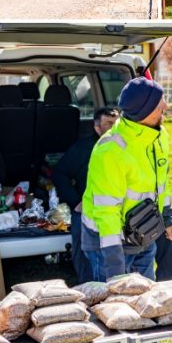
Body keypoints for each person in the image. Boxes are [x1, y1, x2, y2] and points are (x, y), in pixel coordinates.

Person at [81, 77, 172, 281]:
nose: (166, 105)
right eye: (160, 102)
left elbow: (161, 183)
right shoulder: (110, 151)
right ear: (145, 112)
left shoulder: (158, 136)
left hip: (144, 234)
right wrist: (115, 269)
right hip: (109, 246)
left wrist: (167, 217)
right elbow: (106, 213)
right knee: (115, 307)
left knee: (145, 301)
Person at [51, 107, 120, 285]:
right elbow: (59, 173)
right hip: (88, 210)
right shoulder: (83, 149)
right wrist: (75, 202)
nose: (114, 127)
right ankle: (86, 287)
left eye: (117, 123)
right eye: (109, 124)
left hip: (117, 210)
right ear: (97, 128)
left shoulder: (125, 147)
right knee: (84, 253)